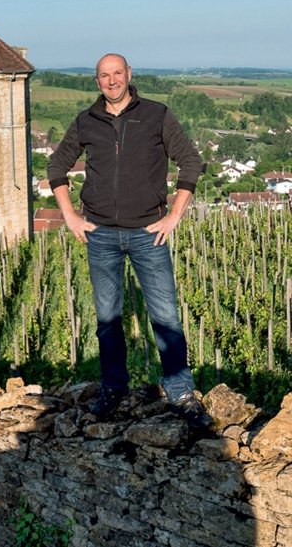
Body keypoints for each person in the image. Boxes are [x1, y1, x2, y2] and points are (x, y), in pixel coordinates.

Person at [47, 53, 212, 430]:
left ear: (129, 75)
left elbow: (190, 161)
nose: (112, 81)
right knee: (107, 319)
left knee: (165, 317)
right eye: (104, 76)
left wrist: (175, 215)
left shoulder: (157, 114)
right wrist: (69, 215)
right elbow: (56, 167)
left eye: (117, 73)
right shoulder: (85, 121)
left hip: (148, 233)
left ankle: (181, 392)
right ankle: (113, 388)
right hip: (100, 235)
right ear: (97, 81)